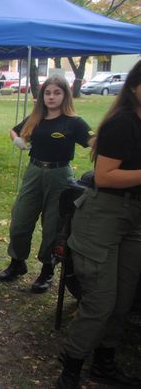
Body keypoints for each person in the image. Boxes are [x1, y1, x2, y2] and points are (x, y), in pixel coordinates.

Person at [57, 61, 141, 389]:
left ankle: (104, 364)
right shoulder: (123, 122)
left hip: (134, 217)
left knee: (123, 297)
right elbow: (105, 176)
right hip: (104, 215)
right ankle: (71, 370)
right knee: (101, 300)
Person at [0, 76, 94, 293]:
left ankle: (47, 270)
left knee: (53, 225)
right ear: (42, 96)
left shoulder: (74, 122)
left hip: (60, 175)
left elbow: (93, 141)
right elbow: (15, 130)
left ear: (65, 95)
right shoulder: (36, 117)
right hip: (34, 172)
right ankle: (17, 262)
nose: (51, 97)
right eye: (47, 93)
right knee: (20, 219)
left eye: (57, 93)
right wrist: (17, 140)